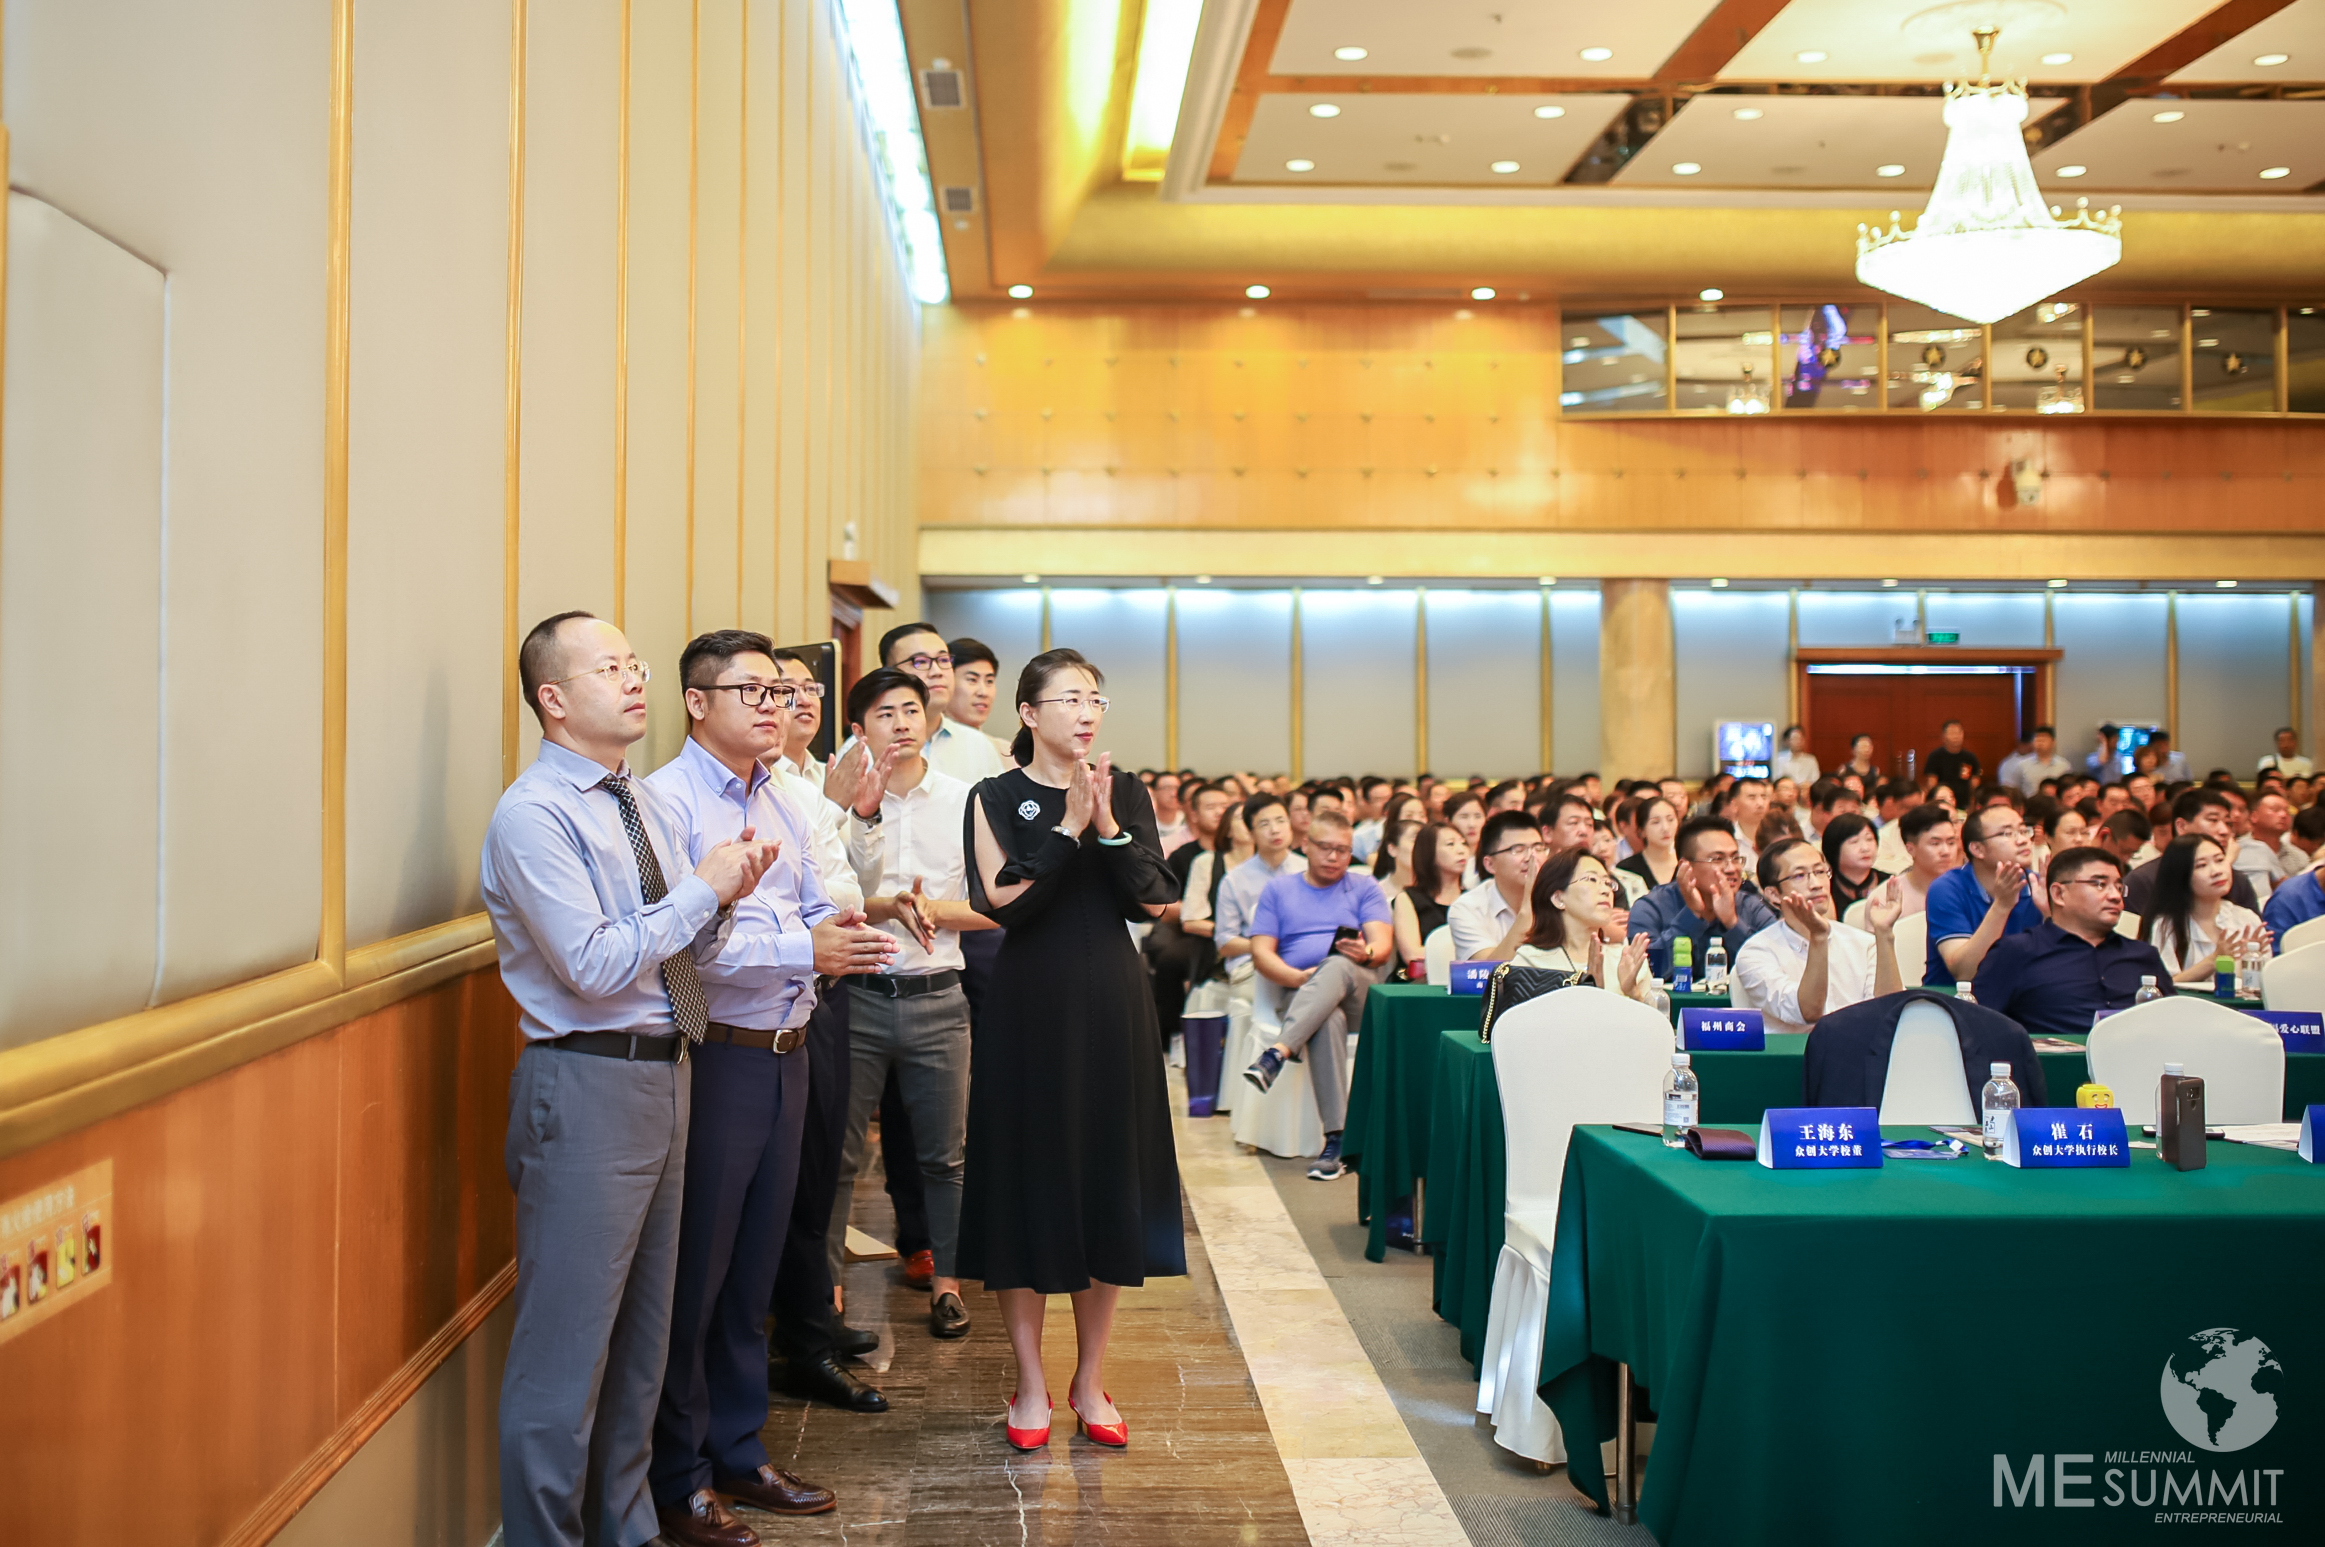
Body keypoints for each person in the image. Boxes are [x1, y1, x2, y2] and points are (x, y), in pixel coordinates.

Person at [483, 613, 779, 1547]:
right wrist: (701, 890)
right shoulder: (533, 814)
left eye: (634, 664)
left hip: (667, 1071)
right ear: (553, 698)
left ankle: (626, 1525)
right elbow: (592, 962)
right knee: (564, 1351)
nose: (634, 679)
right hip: (585, 1082)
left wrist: (724, 898)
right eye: (610, 668)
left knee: (644, 1337)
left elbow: (673, 948)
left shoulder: (637, 799)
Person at [646, 632, 900, 1545]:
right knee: (699, 1273)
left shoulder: (785, 798)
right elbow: (687, 948)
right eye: (748, 689)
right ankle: (678, 1476)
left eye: (778, 691)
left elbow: (814, 900)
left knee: (754, 1264)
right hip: (718, 1054)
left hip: (790, 1047)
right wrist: (806, 944)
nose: (772, 704)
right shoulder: (666, 803)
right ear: (696, 701)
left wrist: (836, 931)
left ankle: (738, 1449)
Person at [962, 648, 1182, 1452]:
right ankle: (1029, 1381)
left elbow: (1155, 899)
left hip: (1112, 1002)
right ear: (1028, 713)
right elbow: (1002, 900)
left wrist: (1111, 827)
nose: (1086, 712)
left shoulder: (1125, 790)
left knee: (1103, 1183)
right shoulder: (993, 795)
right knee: (1026, 1185)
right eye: (1068, 698)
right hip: (1028, 1005)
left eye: (1095, 698)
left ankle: (1090, 1378)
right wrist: (1065, 830)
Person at [825, 667, 997, 1344]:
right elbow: (825, 898)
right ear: (858, 730)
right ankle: (828, 1290)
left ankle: (948, 1284)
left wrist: (935, 910)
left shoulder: (964, 800)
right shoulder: (835, 804)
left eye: (909, 710)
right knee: (838, 1157)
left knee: (945, 1156)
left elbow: (995, 905)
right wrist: (884, 894)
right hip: (857, 997)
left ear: (928, 719)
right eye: (883, 713)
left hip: (937, 998)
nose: (900, 722)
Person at [759, 651, 903, 1416]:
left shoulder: (817, 778)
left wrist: (858, 814)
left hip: (827, 987)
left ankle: (813, 1318)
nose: (798, 701)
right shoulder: (771, 786)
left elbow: (853, 889)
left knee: (819, 1164)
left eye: (808, 688)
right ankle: (799, 1335)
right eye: (780, 689)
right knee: (787, 1177)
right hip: (769, 994)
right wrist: (837, 810)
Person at [1243, 809, 1395, 1179]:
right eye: (1325, 847)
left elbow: (1382, 946)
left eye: (1342, 850)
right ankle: (1336, 1142)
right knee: (1327, 1019)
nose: (1333, 856)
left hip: (1359, 990)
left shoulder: (1364, 887)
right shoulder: (1279, 890)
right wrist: (1298, 978)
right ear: (1306, 846)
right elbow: (1261, 954)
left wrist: (1364, 953)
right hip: (1301, 992)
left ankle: (1278, 1053)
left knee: (1338, 964)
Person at [1972, 849, 2175, 1040]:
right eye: (2099, 884)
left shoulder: (2143, 955)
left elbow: (2174, 1023)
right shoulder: (2017, 951)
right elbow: (1975, 1026)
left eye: (2119, 888)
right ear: (2059, 894)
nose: (2114, 896)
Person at [1734, 841, 1903, 1035]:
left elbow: (1890, 1011)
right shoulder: (1757, 952)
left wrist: (1884, 933)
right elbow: (1808, 1013)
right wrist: (1819, 937)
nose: (1816, 884)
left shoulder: (1864, 944)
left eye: (1820, 872)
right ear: (1774, 894)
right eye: (1799, 875)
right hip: (1795, 1053)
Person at [1627, 816, 1779, 981]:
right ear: (1686, 866)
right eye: (1717, 859)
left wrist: (1732, 922)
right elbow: (1647, 971)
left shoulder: (1751, 906)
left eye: (1735, 858)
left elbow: (1776, 965)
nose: (1731, 868)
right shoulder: (1650, 907)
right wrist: (1691, 916)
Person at [866, 621, 1006, 784]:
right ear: (890, 674)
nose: (937, 672)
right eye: (920, 662)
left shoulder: (979, 745)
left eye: (944, 660)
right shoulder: (864, 748)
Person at [1923, 804, 2045, 987]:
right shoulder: (1947, 888)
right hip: (1955, 998)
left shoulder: (2039, 886)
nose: (2022, 840)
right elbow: (1965, 973)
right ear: (1977, 849)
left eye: (2023, 831)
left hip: (2022, 995)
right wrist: (2002, 906)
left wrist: (2050, 915)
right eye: (2007, 833)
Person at [1509, 848, 1653, 1002]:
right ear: (1558, 898)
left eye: (1608, 883)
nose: (1606, 890)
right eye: (1592, 879)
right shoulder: (1531, 963)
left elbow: (1656, 1017)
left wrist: (1632, 992)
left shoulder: (1625, 959)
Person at [2139, 835, 2272, 983]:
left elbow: (2260, 986)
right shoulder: (2165, 925)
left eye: (2220, 860)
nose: (2216, 871)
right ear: (2181, 874)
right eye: (2201, 865)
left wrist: (2251, 962)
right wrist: (2214, 960)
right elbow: (2162, 986)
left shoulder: (2246, 919)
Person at [2122, 789, 2261, 917]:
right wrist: (2226, 864)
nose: (2224, 831)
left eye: (2228, 823)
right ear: (2182, 826)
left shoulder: (2237, 880)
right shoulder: (2143, 880)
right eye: (2213, 820)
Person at [1215, 794, 1307, 974]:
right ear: (1251, 833)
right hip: (1252, 963)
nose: (1275, 830)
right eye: (1264, 824)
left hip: (1305, 957)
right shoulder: (1234, 880)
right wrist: (1265, 947)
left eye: (1280, 821)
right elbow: (1224, 942)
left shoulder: (1308, 869)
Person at [1449, 810, 1550, 961]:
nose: (1531, 857)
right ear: (1490, 864)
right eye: (1518, 850)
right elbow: (1488, 970)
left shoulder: (1560, 898)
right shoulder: (1467, 908)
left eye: (1538, 848)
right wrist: (1527, 907)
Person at [1392, 822, 1470, 980]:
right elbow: (1412, 954)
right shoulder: (1408, 898)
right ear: (1429, 852)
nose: (1461, 850)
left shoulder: (1473, 899)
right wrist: (1467, 954)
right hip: (1420, 980)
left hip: (1466, 979)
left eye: (1463, 843)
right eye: (1450, 844)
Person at [1889, 802, 1960, 918]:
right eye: (1935, 843)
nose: (1946, 852)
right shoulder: (1889, 897)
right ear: (1910, 849)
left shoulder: (1968, 890)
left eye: (1951, 843)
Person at [944, 636, 1010, 759]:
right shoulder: (923, 750)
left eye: (989, 681)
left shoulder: (1005, 753)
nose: (983, 692)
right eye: (972, 680)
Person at [1819, 812, 1884, 915]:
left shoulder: (1890, 882)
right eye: (1854, 841)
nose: (1865, 848)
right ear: (1834, 848)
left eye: (1869, 839)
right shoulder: (1824, 889)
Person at [1617, 795, 1680, 892]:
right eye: (1656, 822)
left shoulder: (1687, 863)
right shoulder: (1626, 869)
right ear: (1641, 830)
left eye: (1670, 820)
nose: (1665, 828)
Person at [1925, 720, 1982, 806]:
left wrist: (1973, 802)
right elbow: (1932, 783)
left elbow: (1975, 783)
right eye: (1952, 733)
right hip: (1943, 802)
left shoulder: (1970, 757)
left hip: (1964, 802)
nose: (1956, 736)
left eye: (1959, 733)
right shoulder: (1935, 756)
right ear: (1943, 736)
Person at [2006, 724, 2073, 796]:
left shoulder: (2063, 765)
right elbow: (2014, 789)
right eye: (2037, 740)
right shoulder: (2022, 765)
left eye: (2043, 740)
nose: (2040, 743)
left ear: (2053, 742)